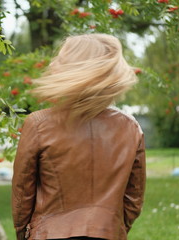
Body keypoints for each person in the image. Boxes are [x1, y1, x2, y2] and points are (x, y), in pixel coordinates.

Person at [11, 34, 146, 240]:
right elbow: (133, 199)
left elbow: (23, 194)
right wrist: (110, 228)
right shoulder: (130, 127)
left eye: (59, 59)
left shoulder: (39, 124)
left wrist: (24, 233)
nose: (54, 62)